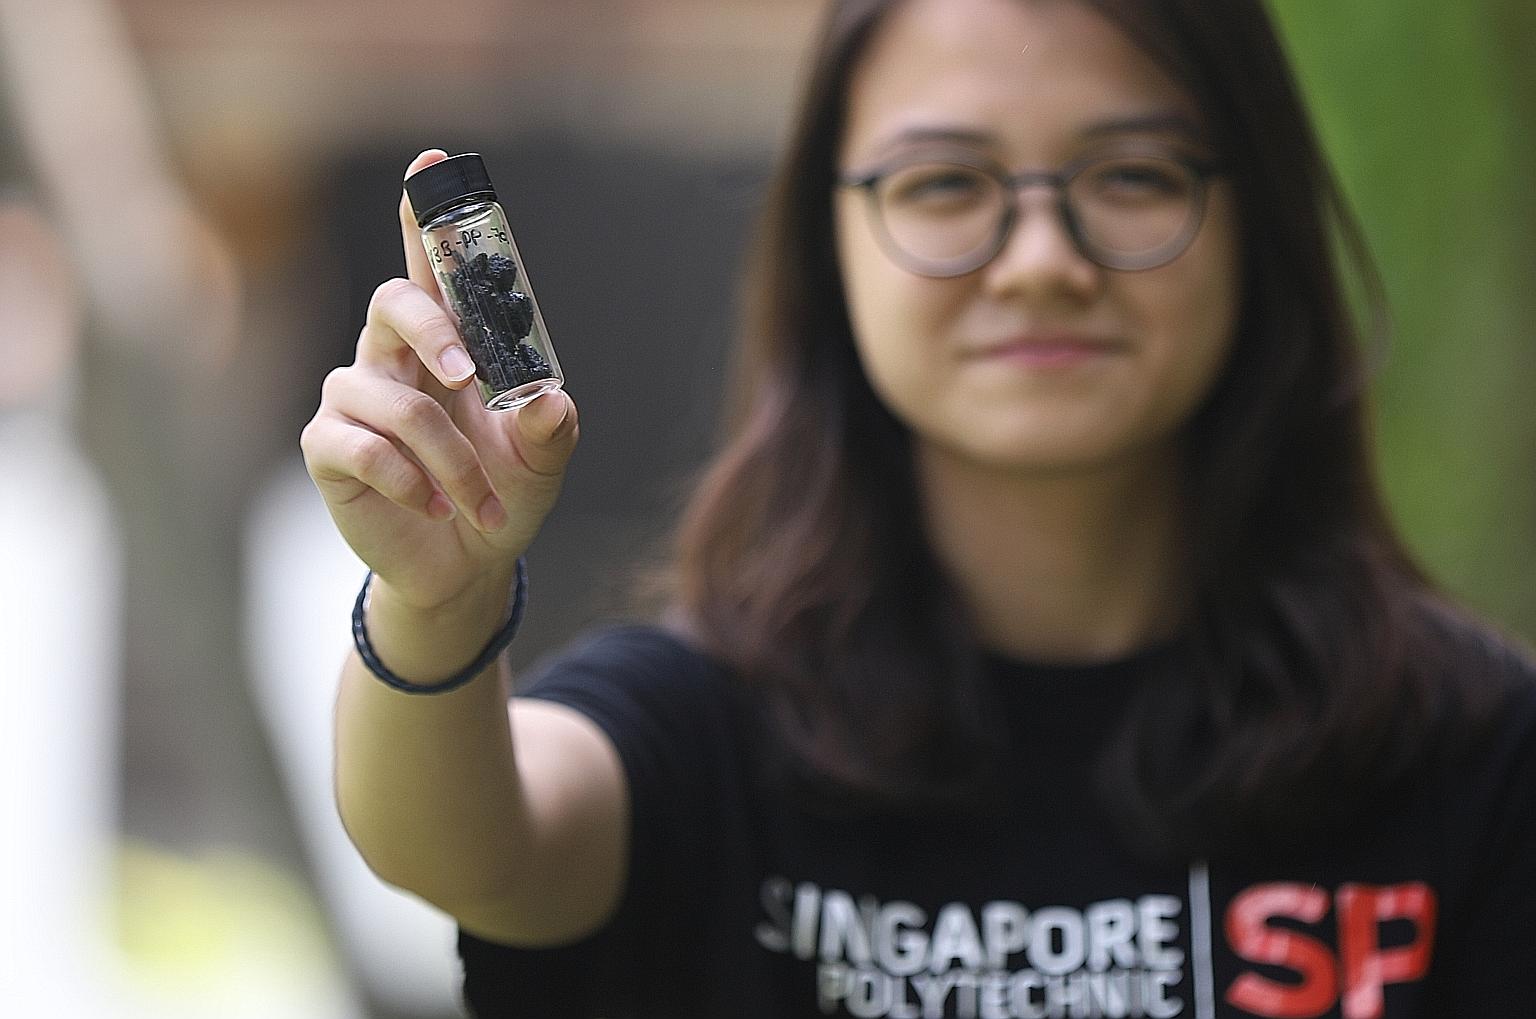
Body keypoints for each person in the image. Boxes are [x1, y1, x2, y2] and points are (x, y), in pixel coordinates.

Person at [300, 0, 1536, 1015]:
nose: (1043, 256)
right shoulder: (712, 733)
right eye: (946, 183)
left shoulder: (1470, 748)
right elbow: (472, 844)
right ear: (829, 245)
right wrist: (438, 598)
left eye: (1135, 173)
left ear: (1255, 223)